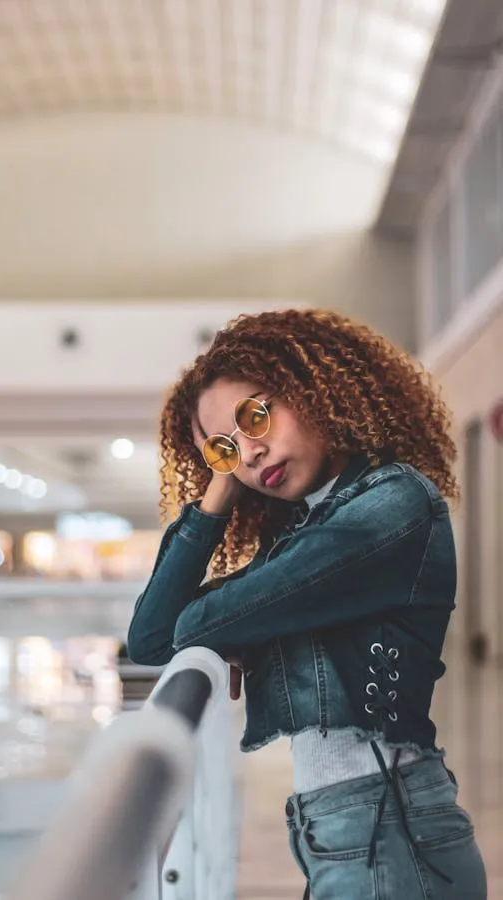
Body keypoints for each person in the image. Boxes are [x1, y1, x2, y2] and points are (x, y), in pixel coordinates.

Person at [127, 308, 487, 900]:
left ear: (312, 391)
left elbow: (196, 623)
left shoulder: (389, 506)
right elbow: (152, 639)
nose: (250, 453)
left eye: (256, 416)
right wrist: (216, 497)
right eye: (223, 449)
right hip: (350, 827)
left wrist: (241, 627)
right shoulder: (303, 529)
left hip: (386, 829)